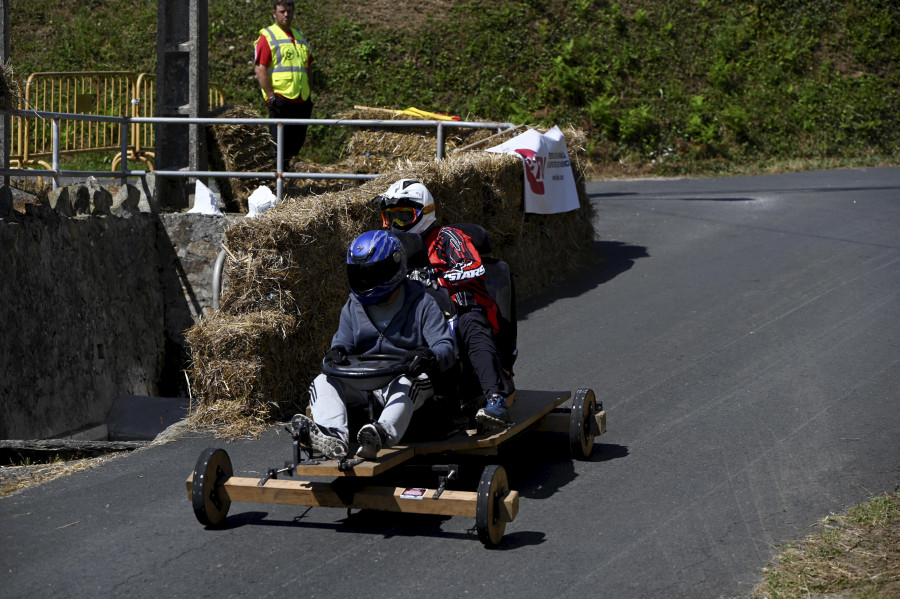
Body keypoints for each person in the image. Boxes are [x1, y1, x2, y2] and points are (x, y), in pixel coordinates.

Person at [296, 230, 456, 460]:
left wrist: (427, 355)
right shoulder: (353, 306)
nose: (365, 281)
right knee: (323, 380)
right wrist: (336, 352)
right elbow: (342, 343)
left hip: (407, 376)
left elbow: (446, 347)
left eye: (372, 274)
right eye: (359, 275)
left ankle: (380, 434)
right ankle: (334, 437)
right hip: (366, 382)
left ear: (394, 268)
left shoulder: (423, 303)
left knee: (407, 383)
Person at [378, 179, 514, 430]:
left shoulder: (447, 236)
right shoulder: (392, 247)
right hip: (417, 313)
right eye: (391, 218)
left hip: (461, 307)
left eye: (403, 216)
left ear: (425, 213)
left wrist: (437, 277)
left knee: (471, 324)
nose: (396, 225)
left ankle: (496, 400)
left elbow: (473, 266)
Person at [254, 0, 313, 171]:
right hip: (281, 100)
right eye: (281, 11)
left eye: (289, 11)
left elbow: (308, 65)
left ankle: (288, 183)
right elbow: (260, 68)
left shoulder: (299, 35)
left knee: (295, 146)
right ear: (274, 13)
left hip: (301, 99)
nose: (286, 14)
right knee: (278, 148)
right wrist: (270, 95)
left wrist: (309, 91)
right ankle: (277, 186)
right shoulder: (268, 36)